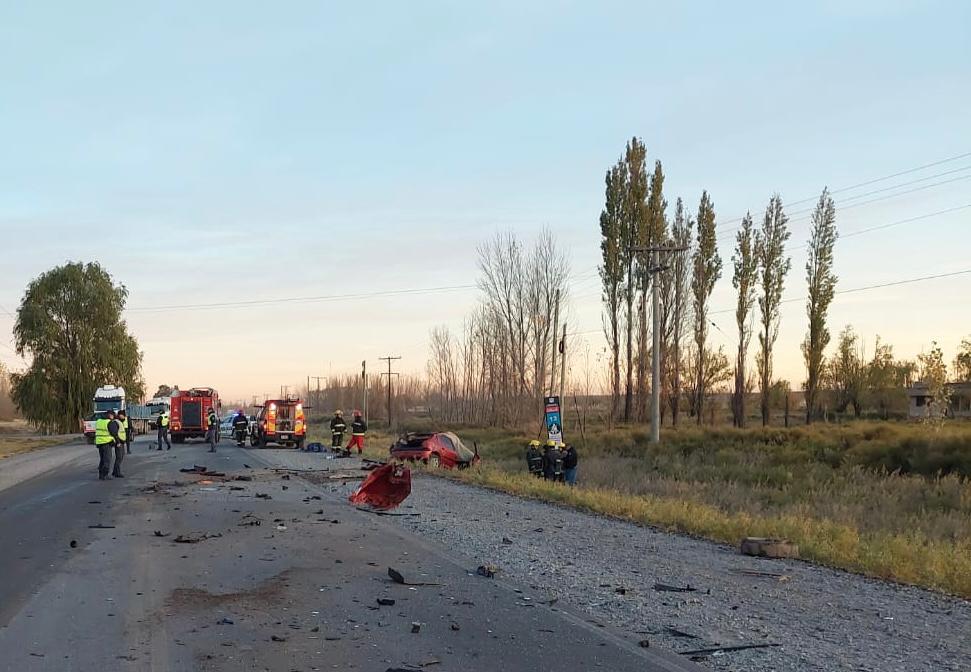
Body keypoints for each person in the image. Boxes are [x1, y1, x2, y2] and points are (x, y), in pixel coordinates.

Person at [94, 410, 117, 480]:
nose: (113, 417)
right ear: (110, 415)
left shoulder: (98, 421)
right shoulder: (109, 422)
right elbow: (114, 432)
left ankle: (101, 474)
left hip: (99, 443)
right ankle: (105, 474)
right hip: (107, 443)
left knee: (102, 459)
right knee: (107, 459)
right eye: (113, 416)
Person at [109, 409, 125, 478]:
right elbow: (115, 433)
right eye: (122, 415)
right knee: (119, 457)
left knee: (121, 457)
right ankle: (117, 472)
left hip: (121, 441)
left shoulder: (119, 421)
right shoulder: (116, 422)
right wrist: (118, 442)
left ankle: (115, 471)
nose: (123, 416)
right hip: (118, 442)